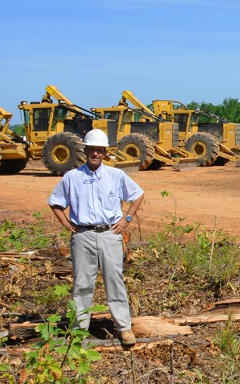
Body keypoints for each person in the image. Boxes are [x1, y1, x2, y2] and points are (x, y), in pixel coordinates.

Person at [48, 129, 144, 347]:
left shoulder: (115, 175)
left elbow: (138, 195)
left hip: (110, 234)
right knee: (82, 284)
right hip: (82, 235)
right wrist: (65, 222)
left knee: (114, 281)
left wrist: (127, 218)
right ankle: (79, 332)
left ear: (104, 153)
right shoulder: (72, 177)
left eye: (100, 150)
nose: (96, 154)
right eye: (92, 150)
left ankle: (124, 328)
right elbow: (55, 202)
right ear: (86, 151)